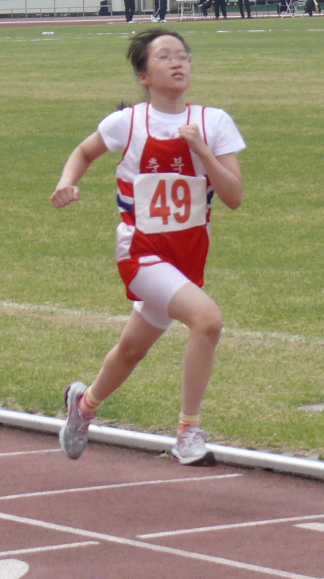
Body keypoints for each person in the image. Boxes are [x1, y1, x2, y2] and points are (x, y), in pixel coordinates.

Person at [51, 28, 245, 467]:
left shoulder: (214, 123)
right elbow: (83, 152)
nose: (178, 63)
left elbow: (233, 197)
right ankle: (187, 430)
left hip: (188, 256)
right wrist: (67, 183)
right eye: (164, 56)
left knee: (132, 350)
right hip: (140, 252)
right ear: (143, 75)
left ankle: (83, 407)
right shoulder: (128, 123)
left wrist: (201, 150)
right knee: (208, 321)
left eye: (184, 55)